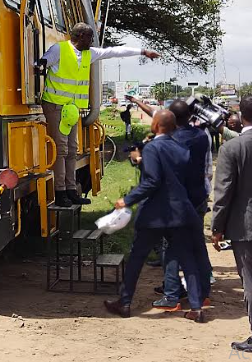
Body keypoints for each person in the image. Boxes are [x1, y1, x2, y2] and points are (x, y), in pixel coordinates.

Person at [41, 23, 160, 206]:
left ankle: (71, 190)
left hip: (71, 110)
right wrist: (40, 64)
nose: (92, 41)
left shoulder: (89, 54)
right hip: (55, 106)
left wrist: (142, 51)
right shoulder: (59, 49)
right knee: (61, 150)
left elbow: (114, 51)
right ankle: (60, 192)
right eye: (89, 37)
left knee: (72, 150)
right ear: (80, 36)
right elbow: (43, 62)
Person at [104, 110, 205, 322]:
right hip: (180, 213)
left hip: (155, 215)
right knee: (187, 259)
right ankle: (196, 307)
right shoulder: (182, 148)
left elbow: (152, 181)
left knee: (136, 259)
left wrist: (127, 200)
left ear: (158, 124)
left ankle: (124, 302)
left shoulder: (152, 148)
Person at [152, 100, 212, 311]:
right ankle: (204, 293)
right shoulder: (201, 137)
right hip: (197, 198)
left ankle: (171, 295)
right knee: (198, 247)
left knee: (171, 249)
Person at [212, 96, 252, 351]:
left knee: (250, 281)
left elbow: (224, 192)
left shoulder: (233, 148)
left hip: (245, 227)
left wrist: (217, 228)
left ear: (241, 115)